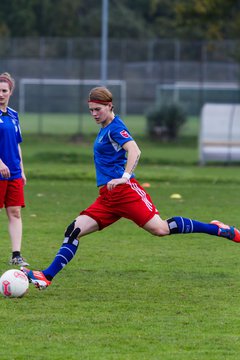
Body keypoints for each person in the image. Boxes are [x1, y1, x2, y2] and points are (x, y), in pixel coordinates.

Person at [21, 86, 240, 289]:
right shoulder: (105, 128)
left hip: (125, 192)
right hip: (108, 197)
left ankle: (219, 229)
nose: (94, 114)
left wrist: (125, 177)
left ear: (109, 106)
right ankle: (46, 276)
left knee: (161, 229)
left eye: (98, 109)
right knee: (73, 230)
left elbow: (135, 151)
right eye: (91, 110)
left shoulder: (116, 128)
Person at [0, 72, 29, 266]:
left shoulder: (13, 115)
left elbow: (17, 144)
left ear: (11, 92)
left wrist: (22, 169)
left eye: (4, 90)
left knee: (15, 213)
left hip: (14, 174)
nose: (0, 94)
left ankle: (16, 254)